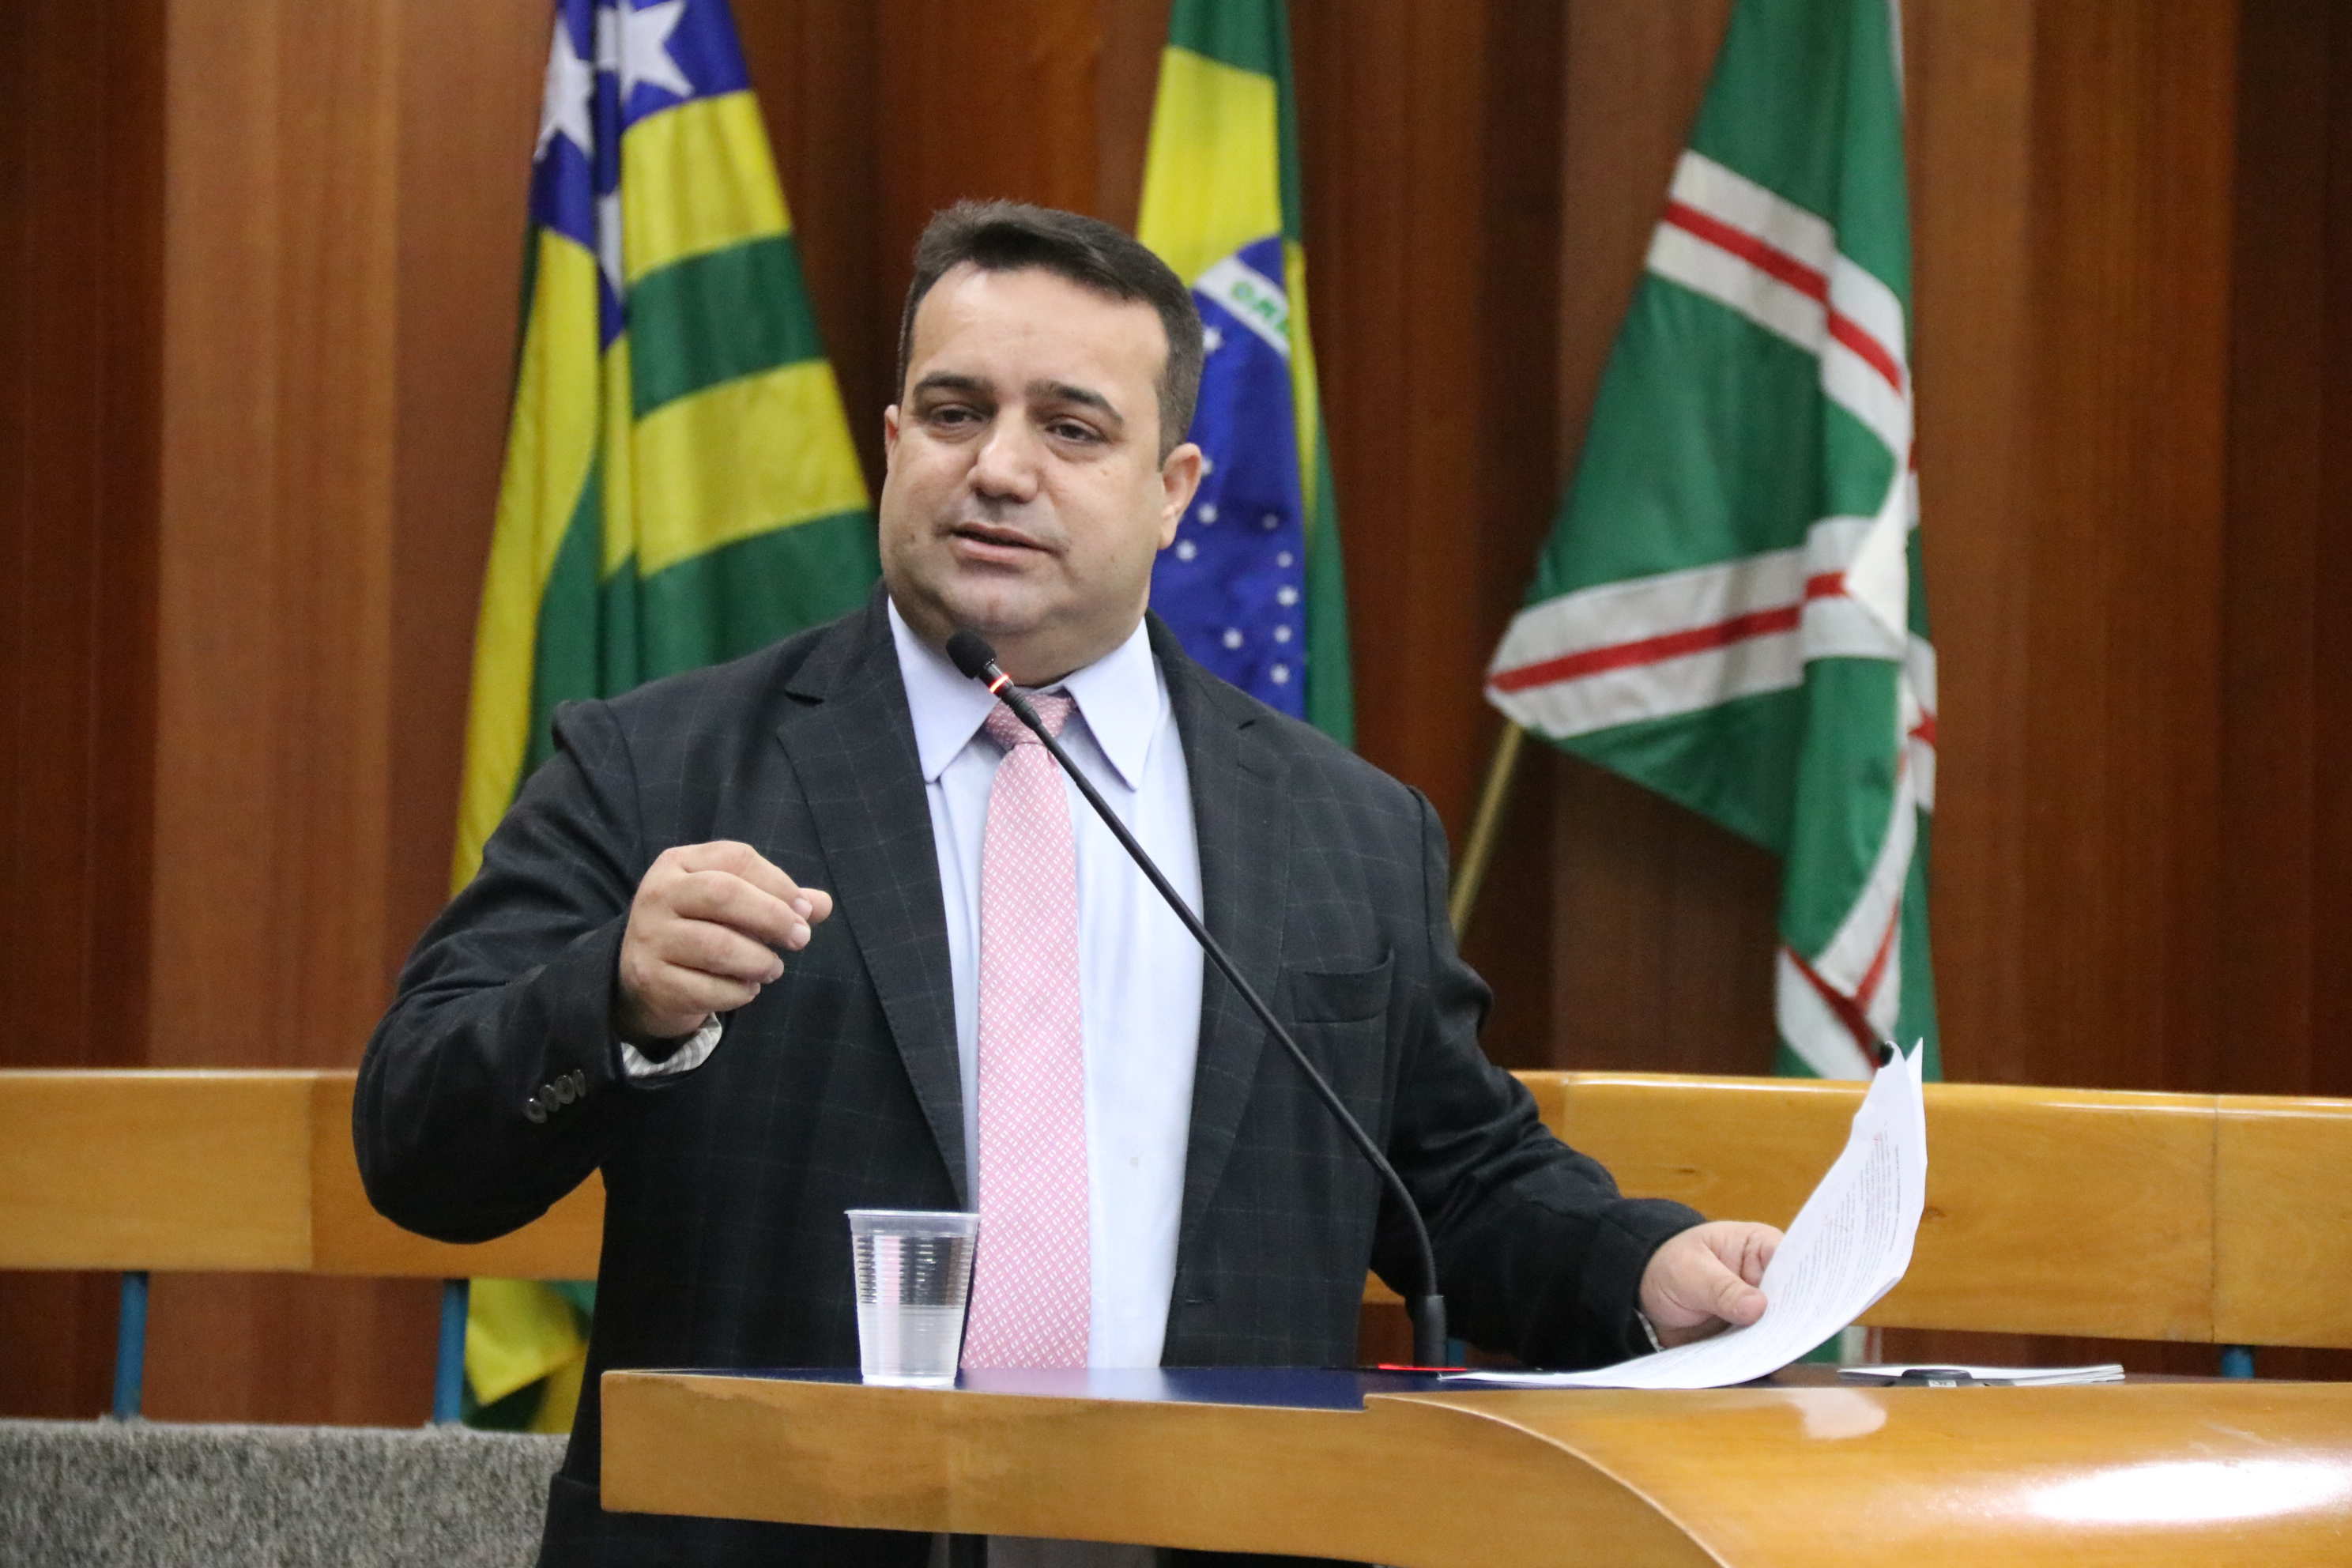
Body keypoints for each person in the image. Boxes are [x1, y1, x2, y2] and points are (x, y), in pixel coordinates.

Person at [356, 200, 1783, 1568]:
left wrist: (1639, 1269)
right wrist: (611, 998)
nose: (999, 468)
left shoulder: (1344, 829)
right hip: (772, 1533)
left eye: (1072, 428)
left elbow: (1456, 1179)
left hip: (1209, 1540)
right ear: (894, 444)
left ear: (1174, 494)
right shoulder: (661, 767)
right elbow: (417, 1144)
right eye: (956, 412)